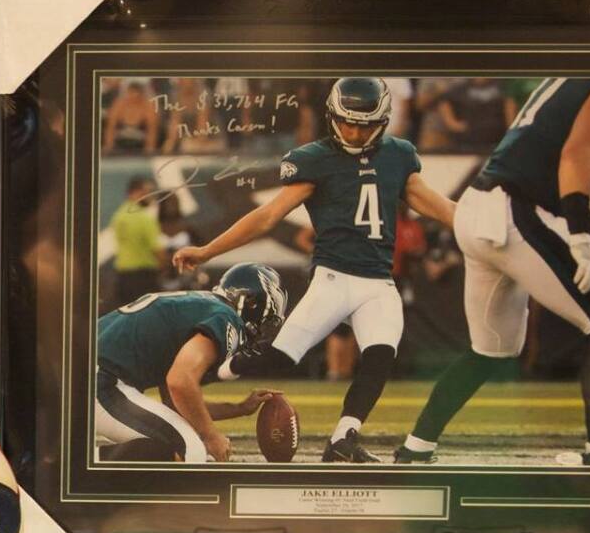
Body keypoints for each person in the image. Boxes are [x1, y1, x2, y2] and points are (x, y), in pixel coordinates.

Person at [174, 77, 457, 463]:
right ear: (332, 117)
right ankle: (203, 376)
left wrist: (485, 228)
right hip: (333, 278)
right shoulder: (316, 158)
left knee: (379, 357)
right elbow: (268, 216)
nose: (354, 133)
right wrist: (208, 250)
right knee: (281, 357)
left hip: (379, 281)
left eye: (365, 125)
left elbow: (439, 206)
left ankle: (343, 439)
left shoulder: (399, 155)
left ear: (383, 121)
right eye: (347, 123)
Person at [400, 77, 590, 463]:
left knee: (488, 351)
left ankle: (416, 447)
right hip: (514, 213)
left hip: (479, 209)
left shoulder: (564, 83)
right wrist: (582, 236)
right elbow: (574, 156)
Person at [94, 263, 285, 462]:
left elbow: (177, 403)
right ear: (251, 302)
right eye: (268, 318)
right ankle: (83, 464)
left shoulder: (199, 305)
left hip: (83, 369)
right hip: (101, 381)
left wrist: (240, 408)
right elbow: (180, 381)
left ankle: (89, 460)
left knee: (183, 445)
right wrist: (211, 435)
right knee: (190, 450)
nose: (264, 329)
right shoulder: (226, 317)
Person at [106, 175, 163, 307]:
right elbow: (158, 250)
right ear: (136, 192)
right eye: (147, 192)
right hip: (144, 277)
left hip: (122, 276)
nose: (151, 196)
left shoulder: (118, 216)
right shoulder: (144, 218)